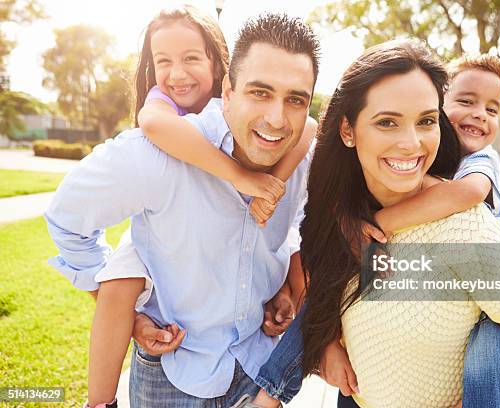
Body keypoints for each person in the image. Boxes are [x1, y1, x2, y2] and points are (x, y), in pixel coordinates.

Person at [45, 12, 319, 407]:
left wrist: (282, 285)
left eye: (295, 99)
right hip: (172, 378)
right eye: (259, 92)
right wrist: (128, 310)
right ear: (228, 90)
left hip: (258, 366)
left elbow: (295, 221)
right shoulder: (154, 154)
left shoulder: (302, 153)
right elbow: (66, 221)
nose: (277, 118)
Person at [299, 39, 500, 407]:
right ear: (348, 130)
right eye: (387, 122)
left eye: (426, 121)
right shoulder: (343, 213)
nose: (411, 142)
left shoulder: (468, 231)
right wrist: (328, 344)